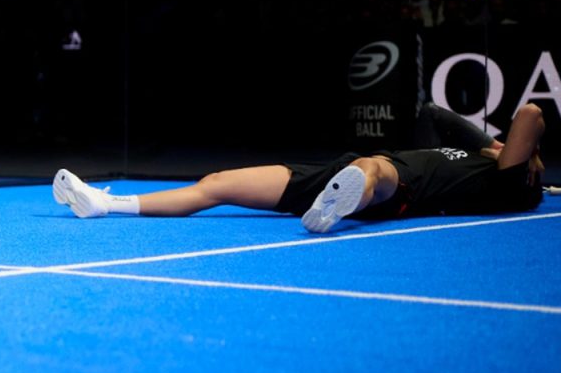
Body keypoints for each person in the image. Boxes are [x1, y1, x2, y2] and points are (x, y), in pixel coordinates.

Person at [54, 103, 547, 233]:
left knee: (374, 169)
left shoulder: (508, 187)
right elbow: (433, 114)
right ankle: (105, 204)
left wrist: (519, 155)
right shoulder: (489, 159)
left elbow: (531, 114)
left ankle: (337, 208)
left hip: (398, 189)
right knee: (218, 184)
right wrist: (492, 145)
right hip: (339, 170)